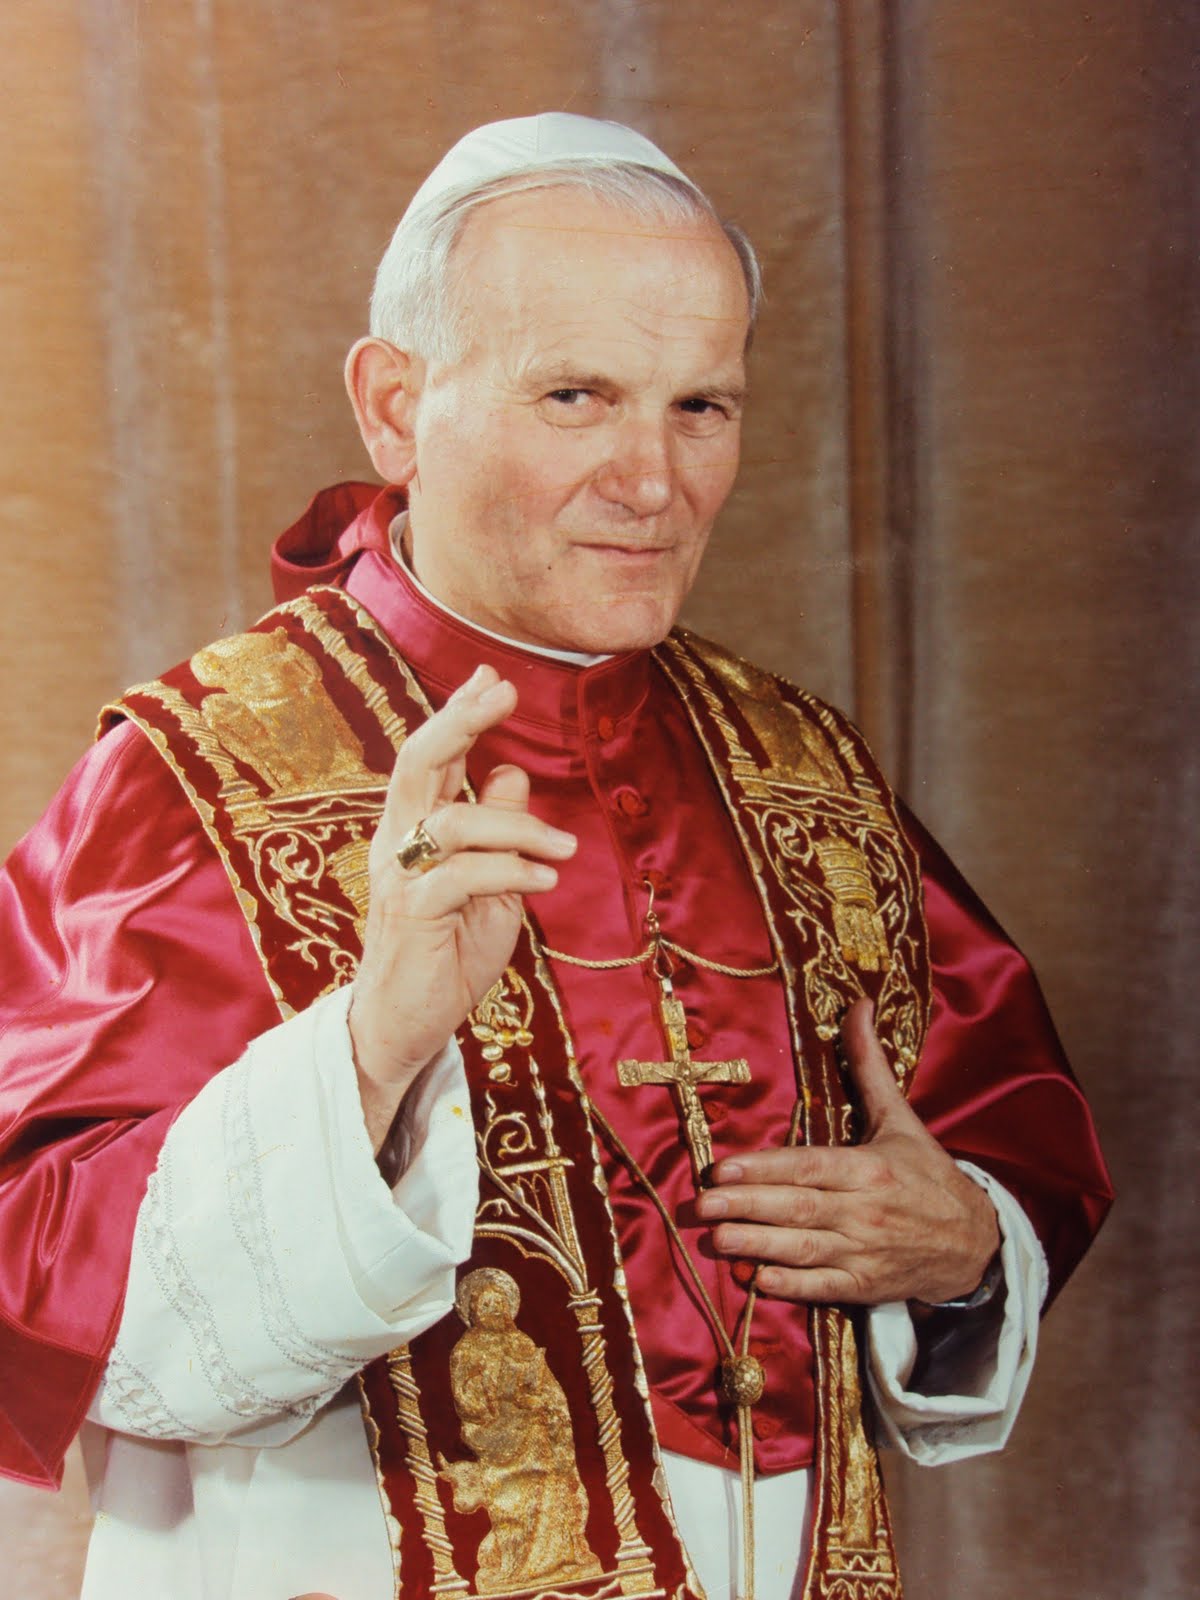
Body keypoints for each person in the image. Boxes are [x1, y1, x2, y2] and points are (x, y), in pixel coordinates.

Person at [0, 114, 1112, 1600]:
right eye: (576, 396)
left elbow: (1007, 1146)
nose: (651, 481)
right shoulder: (191, 776)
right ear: (396, 406)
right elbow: (35, 1277)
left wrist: (964, 1242)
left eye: (701, 406)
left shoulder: (807, 774)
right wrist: (369, 1054)